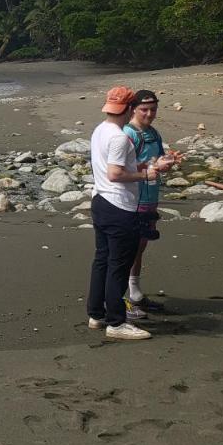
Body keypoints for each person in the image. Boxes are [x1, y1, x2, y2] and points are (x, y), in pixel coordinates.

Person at [86, 85, 173, 341]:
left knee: (102, 260)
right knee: (118, 265)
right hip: (119, 206)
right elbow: (116, 174)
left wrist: (149, 165)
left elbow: (115, 165)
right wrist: (145, 174)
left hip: (100, 201)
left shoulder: (100, 130)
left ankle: (96, 314)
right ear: (130, 108)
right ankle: (116, 322)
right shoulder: (119, 137)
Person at [122, 90, 180, 320]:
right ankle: (122, 298)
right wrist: (153, 168)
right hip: (134, 199)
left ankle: (135, 292)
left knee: (141, 246)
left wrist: (168, 161)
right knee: (129, 248)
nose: (149, 114)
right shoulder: (128, 134)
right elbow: (123, 168)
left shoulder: (153, 133)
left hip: (150, 197)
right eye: (144, 109)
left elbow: (156, 161)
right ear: (133, 109)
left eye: (153, 109)